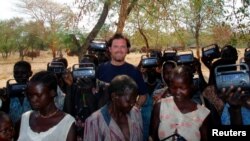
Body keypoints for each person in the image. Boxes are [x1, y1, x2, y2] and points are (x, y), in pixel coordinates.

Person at [150, 66, 210, 141]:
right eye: (174, 88)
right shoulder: (160, 107)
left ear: (191, 86)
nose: (177, 92)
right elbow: (152, 137)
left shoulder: (202, 114)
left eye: (182, 88)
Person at [17, 71, 76, 141]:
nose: (33, 99)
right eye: (30, 95)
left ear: (52, 93)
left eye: (38, 95)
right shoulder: (25, 118)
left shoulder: (67, 123)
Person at [84, 75, 143, 141]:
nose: (133, 104)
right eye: (128, 101)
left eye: (135, 100)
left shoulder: (136, 113)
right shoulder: (94, 122)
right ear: (114, 97)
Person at [96, 33, 147, 109]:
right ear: (110, 49)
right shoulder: (100, 69)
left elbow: (143, 95)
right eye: (116, 46)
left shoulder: (134, 71)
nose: (119, 50)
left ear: (127, 49)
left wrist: (136, 108)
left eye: (123, 47)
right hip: (104, 117)